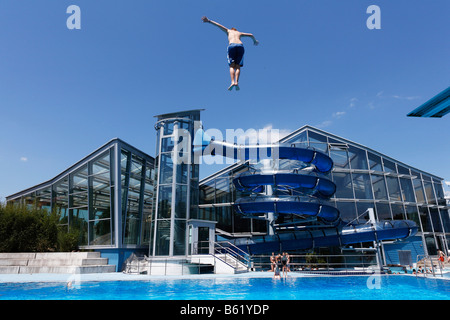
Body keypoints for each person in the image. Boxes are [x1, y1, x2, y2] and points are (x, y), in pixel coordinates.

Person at [201, 16, 259, 91]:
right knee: (238, 66)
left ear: (231, 30)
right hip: (240, 46)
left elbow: (218, 25)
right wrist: (254, 41)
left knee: (232, 66)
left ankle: (232, 82)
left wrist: (209, 21)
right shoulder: (239, 33)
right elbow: (251, 34)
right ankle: (236, 82)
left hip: (231, 46)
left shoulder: (228, 31)